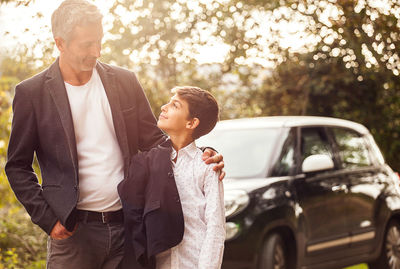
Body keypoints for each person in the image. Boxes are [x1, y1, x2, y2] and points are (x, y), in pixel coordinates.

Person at [4, 1, 224, 268]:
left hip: (128, 229)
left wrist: (200, 153)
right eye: (87, 44)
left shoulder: (124, 80)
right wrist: (47, 219)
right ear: (60, 43)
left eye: (99, 41)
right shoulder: (32, 93)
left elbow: (156, 141)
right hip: (73, 234)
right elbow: (17, 166)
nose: (96, 51)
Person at [118, 86, 225, 269]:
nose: (163, 107)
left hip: (195, 262)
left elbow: (215, 225)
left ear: (191, 123)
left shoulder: (206, 166)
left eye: (175, 105)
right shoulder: (147, 162)